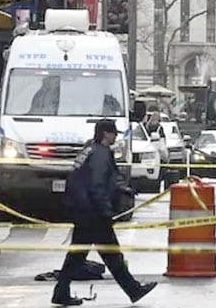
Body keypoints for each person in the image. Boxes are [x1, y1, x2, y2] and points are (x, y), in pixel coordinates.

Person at [52, 119, 156, 306]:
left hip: (82, 210)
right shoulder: (101, 153)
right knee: (111, 254)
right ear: (105, 134)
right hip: (95, 213)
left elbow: (80, 179)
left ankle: (61, 292)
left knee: (78, 255)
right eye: (113, 132)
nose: (115, 136)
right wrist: (106, 211)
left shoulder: (88, 150)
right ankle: (133, 290)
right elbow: (97, 185)